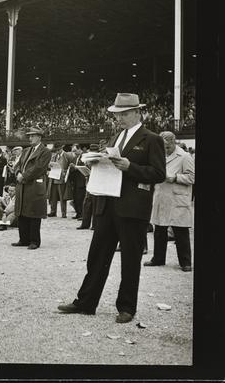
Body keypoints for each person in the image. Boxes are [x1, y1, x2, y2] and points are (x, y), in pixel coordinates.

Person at [57, 93, 165, 324]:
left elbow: (158, 174)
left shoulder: (152, 139)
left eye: (124, 114)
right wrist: (95, 164)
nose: (119, 118)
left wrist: (130, 167)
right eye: (117, 114)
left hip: (133, 207)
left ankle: (127, 307)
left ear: (138, 112)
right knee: (97, 256)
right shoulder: (115, 137)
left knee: (130, 259)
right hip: (107, 204)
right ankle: (86, 302)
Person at [144, 131, 195, 271]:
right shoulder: (158, 155)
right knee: (159, 229)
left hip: (177, 198)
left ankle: (185, 262)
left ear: (174, 142)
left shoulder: (184, 156)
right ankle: (158, 258)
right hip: (161, 196)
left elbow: (192, 177)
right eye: (162, 147)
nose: (164, 150)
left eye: (167, 147)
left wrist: (175, 177)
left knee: (180, 231)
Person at [11, 128, 51, 250]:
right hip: (23, 184)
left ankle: (34, 241)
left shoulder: (45, 152)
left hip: (34, 184)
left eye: (32, 136)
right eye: (29, 136)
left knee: (34, 213)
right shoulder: (26, 150)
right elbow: (17, 165)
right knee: (22, 212)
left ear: (39, 137)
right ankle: (23, 239)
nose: (30, 138)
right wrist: (18, 173)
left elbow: (39, 168)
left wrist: (23, 176)